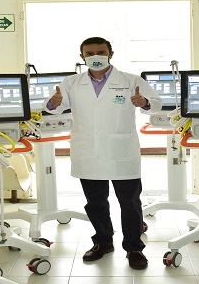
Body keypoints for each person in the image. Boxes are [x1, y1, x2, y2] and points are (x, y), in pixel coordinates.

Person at [45, 36, 162, 270]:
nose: (95, 57)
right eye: (89, 54)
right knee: (95, 202)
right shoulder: (71, 83)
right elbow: (55, 108)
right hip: (88, 152)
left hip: (121, 152)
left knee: (129, 203)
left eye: (100, 52)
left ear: (110, 54)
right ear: (82, 57)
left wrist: (144, 102)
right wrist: (53, 102)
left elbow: (157, 104)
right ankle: (103, 242)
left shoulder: (130, 80)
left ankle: (134, 248)